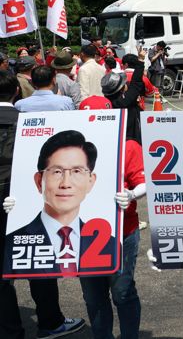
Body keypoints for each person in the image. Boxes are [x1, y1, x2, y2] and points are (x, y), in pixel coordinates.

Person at [0, 72, 85, 338]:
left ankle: (9, 330)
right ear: (16, 90)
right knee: (37, 260)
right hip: (24, 200)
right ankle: (50, 322)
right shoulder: (26, 123)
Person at [77, 95, 146, 339]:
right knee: (93, 296)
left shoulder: (128, 146)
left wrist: (132, 193)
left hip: (122, 231)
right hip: (81, 235)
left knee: (123, 291)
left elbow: (143, 180)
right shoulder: (72, 150)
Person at [3, 130, 116, 275]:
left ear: (90, 181)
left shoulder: (108, 245)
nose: (66, 183)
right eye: (57, 171)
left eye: (76, 171)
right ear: (39, 181)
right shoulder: (13, 243)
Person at [101, 55, 145, 142]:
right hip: (132, 139)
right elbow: (136, 83)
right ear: (121, 89)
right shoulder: (125, 100)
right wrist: (140, 60)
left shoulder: (107, 102)